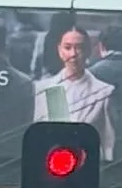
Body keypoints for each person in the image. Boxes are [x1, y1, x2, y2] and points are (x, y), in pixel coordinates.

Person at [33, 21, 115, 159]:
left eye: (79, 48)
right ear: (59, 50)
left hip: (88, 166)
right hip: (50, 167)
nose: (73, 54)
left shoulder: (104, 92)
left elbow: (108, 143)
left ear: (88, 51)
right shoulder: (43, 89)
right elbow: (36, 136)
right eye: (67, 47)